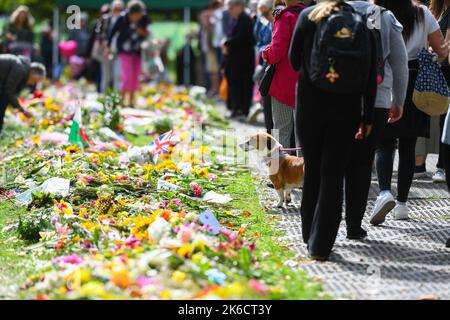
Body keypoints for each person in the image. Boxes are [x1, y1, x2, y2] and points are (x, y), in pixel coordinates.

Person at [289, 0, 378, 259]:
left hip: (309, 105)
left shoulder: (308, 16)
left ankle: (309, 237)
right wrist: (368, 116)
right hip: (347, 109)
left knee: (313, 171)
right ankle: (322, 245)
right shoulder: (362, 22)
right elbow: (371, 74)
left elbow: (294, 62)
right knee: (333, 175)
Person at [371, 0, 449, 224]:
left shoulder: (376, 13)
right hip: (416, 81)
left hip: (384, 78)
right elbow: (441, 49)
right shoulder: (422, 13)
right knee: (408, 145)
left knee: (384, 142)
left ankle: (384, 192)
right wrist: (436, 52)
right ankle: (403, 204)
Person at [344, 0, 409, 237]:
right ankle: (353, 225)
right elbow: (400, 63)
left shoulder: (334, 10)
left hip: (337, 99)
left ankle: (320, 229)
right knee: (361, 165)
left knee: (334, 162)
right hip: (377, 100)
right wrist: (399, 100)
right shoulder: (383, 16)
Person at [263, 0, 306, 151]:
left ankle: (277, 172)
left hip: (284, 82)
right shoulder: (311, 14)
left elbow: (276, 53)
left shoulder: (284, 16)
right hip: (307, 80)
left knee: (281, 131)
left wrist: (266, 52)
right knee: (304, 134)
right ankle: (305, 173)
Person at [108, 0, 150, 107]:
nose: (137, 18)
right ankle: (122, 99)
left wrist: (143, 32)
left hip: (137, 50)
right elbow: (112, 32)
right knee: (127, 75)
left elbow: (148, 32)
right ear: (130, 13)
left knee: (135, 76)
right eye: (135, 15)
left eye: (139, 15)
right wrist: (108, 47)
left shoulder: (144, 18)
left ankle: (131, 100)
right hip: (124, 50)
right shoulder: (122, 18)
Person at [222, 0, 255, 119]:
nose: (229, 11)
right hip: (234, 59)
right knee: (234, 85)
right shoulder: (235, 19)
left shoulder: (245, 19)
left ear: (239, 6)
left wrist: (226, 43)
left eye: (231, 7)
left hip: (243, 61)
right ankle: (236, 109)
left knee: (242, 85)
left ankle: (242, 110)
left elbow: (241, 38)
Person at [0, 55, 45, 133]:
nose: (32, 84)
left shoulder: (22, 67)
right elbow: (8, 91)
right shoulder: (20, 69)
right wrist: (22, 110)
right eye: (35, 81)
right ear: (33, 73)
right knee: (4, 100)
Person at [253, 0, 276, 132]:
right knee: (268, 107)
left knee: (278, 114)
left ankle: (276, 145)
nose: (265, 16)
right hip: (267, 66)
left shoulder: (280, 19)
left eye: (266, 13)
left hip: (276, 69)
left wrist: (267, 50)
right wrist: (266, 50)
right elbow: (260, 42)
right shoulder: (265, 23)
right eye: (262, 14)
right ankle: (270, 139)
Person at [93, 0, 124, 93]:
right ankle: (103, 96)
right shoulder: (105, 19)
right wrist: (105, 44)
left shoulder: (124, 19)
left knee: (117, 75)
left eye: (120, 8)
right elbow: (98, 33)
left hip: (118, 51)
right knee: (106, 76)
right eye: (115, 8)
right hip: (105, 51)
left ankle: (115, 97)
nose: (117, 11)